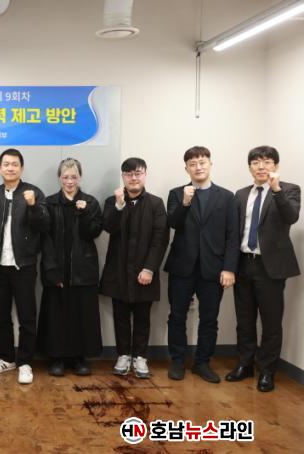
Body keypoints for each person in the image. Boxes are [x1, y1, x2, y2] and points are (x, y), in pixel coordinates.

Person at [226, 146, 300, 392]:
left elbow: (291, 217)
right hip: (243, 263)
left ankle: (267, 371)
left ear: (275, 166)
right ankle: (244, 365)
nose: (261, 167)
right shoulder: (240, 194)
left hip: (270, 267)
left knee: (271, 322)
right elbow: (234, 232)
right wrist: (229, 266)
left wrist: (276, 190)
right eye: (256, 162)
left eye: (267, 162)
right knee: (244, 320)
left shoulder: (289, 189)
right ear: (249, 167)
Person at [164, 146, 239, 383]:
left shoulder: (227, 197)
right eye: (193, 164)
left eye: (202, 162)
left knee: (209, 318)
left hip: (213, 268)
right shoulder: (177, 193)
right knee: (177, 316)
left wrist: (229, 268)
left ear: (210, 164)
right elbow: (173, 223)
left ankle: (202, 363)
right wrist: (185, 203)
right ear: (186, 168)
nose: (198, 167)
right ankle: (178, 361)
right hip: (182, 266)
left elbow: (232, 236)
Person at [0, 148, 49, 385]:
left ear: (21, 168)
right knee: (1, 315)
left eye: (14, 164)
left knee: (26, 316)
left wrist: (33, 206)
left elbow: (44, 226)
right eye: (6, 164)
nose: (10, 168)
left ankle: (25, 362)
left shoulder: (34, 192)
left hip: (24, 265)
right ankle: (6, 358)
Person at [100, 158, 169, 379]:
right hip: (118, 270)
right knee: (120, 317)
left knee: (142, 317)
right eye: (128, 174)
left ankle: (140, 356)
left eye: (138, 173)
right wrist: (119, 206)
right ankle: (123, 355)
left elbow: (160, 239)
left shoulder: (156, 203)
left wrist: (149, 268)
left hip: (144, 271)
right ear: (123, 177)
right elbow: (108, 227)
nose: (133, 178)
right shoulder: (112, 201)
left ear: (145, 174)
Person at [38, 158, 103, 376]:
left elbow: (92, 233)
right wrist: (51, 270)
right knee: (56, 316)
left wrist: (83, 213)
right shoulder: (49, 203)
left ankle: (79, 358)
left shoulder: (90, 202)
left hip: (82, 269)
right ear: (59, 178)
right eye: (65, 177)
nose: (69, 181)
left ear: (80, 178)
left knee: (81, 315)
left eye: (74, 177)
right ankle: (56, 358)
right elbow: (45, 239)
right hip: (57, 268)